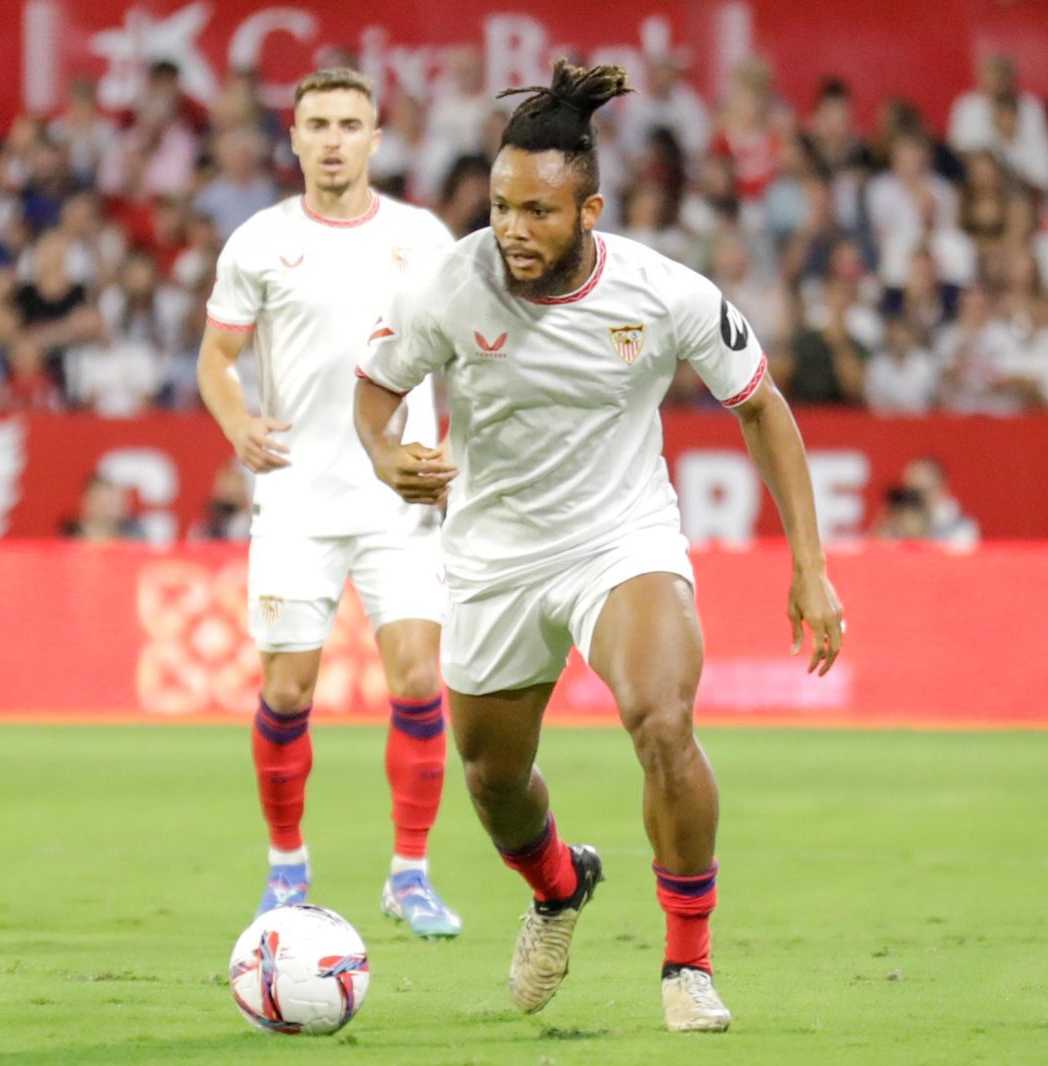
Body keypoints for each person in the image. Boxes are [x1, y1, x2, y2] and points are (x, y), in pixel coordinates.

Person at [355, 60, 845, 1032]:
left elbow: (761, 408)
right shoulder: (450, 285)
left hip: (620, 539)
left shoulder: (662, 293)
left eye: (538, 211)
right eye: (501, 206)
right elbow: (375, 390)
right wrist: (385, 455)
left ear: (590, 211)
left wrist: (810, 566)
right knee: (493, 779)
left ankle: (687, 963)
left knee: (662, 722)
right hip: (492, 556)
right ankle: (558, 884)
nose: (513, 229)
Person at [197, 69, 462, 937]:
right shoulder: (260, 243)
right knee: (287, 689)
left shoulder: (422, 239)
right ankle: (287, 865)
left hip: (400, 497)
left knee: (418, 677)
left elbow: (472, 354)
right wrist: (237, 422)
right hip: (297, 498)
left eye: (351, 124)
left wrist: (456, 444)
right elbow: (216, 359)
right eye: (318, 124)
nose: (334, 139)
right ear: (296, 137)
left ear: (376, 139)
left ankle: (410, 875)